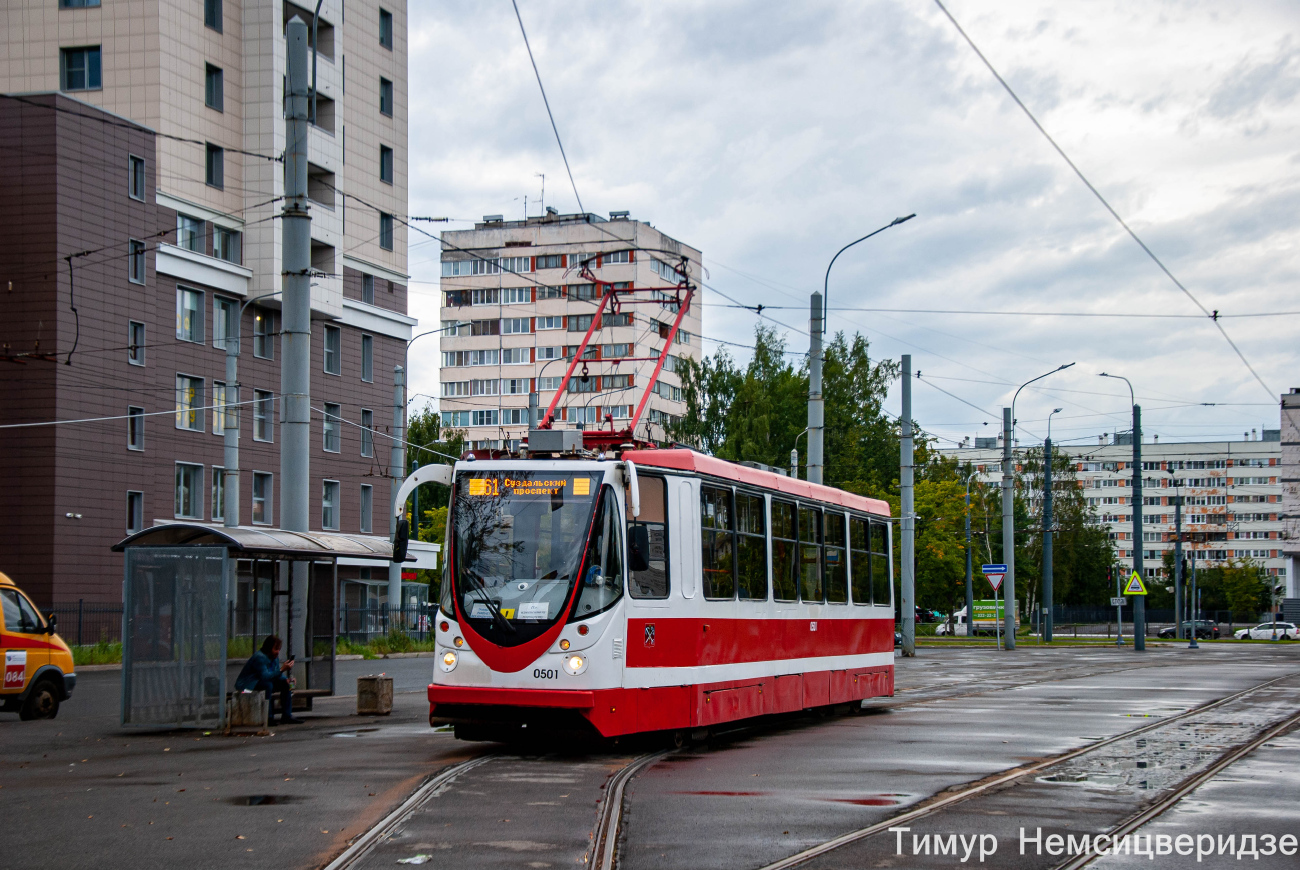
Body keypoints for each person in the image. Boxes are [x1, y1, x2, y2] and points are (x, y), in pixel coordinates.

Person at [234, 636, 303, 725]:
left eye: (279, 649)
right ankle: (269, 717)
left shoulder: (274, 658)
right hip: (247, 685)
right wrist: (282, 669)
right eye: (275, 649)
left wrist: (286, 679)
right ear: (269, 648)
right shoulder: (259, 657)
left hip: (261, 681)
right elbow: (265, 676)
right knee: (268, 685)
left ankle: (287, 715)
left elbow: (276, 674)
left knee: (285, 685)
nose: (277, 652)